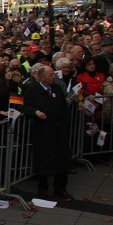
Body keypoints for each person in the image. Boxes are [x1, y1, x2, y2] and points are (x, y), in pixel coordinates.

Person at [23, 65, 74, 202]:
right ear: (42, 76)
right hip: (43, 131)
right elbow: (25, 106)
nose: (53, 77)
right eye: (50, 75)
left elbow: (63, 108)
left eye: (53, 75)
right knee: (44, 161)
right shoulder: (32, 91)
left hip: (59, 129)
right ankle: (43, 188)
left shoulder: (56, 89)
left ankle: (60, 188)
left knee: (62, 159)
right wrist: (36, 112)